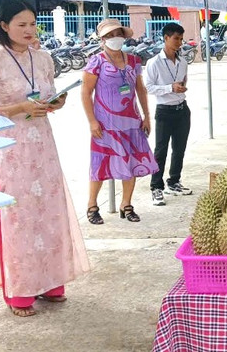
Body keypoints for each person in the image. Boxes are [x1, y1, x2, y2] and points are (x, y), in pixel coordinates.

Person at [0, 0, 90, 317]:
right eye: (21, 24)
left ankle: (51, 281)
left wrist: (56, 102)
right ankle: (20, 289)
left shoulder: (45, 58)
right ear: (4, 26)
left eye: (32, 23)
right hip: (11, 147)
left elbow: (49, 95)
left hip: (43, 146)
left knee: (48, 212)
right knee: (18, 216)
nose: (28, 29)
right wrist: (19, 108)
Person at [81, 19, 157, 225]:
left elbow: (140, 89)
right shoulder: (96, 61)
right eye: (109, 35)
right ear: (102, 39)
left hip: (131, 121)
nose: (114, 38)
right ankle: (92, 205)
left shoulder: (133, 61)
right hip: (105, 123)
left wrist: (146, 115)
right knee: (100, 162)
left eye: (117, 34)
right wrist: (92, 121)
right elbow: (86, 92)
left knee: (131, 161)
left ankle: (126, 204)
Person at [145, 22, 194, 206]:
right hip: (164, 111)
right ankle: (156, 187)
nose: (179, 43)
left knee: (179, 148)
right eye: (176, 39)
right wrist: (169, 87)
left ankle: (174, 181)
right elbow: (148, 87)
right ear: (166, 38)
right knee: (160, 150)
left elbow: (183, 80)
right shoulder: (154, 63)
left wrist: (181, 88)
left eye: (181, 39)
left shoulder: (182, 61)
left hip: (182, 109)